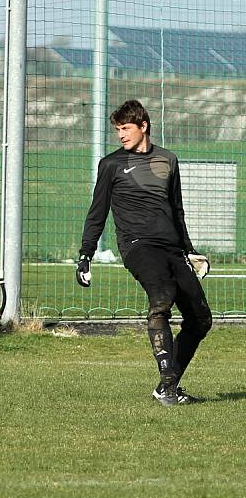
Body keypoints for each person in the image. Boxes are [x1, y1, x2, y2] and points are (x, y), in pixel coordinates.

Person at [77, 99, 212, 405]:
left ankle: (167, 386)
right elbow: (96, 213)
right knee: (161, 298)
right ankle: (167, 385)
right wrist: (86, 254)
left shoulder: (168, 159)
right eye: (118, 130)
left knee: (201, 318)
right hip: (138, 245)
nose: (121, 135)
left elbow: (177, 211)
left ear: (143, 126)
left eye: (126, 128)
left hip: (172, 248)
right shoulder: (111, 164)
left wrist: (189, 251)